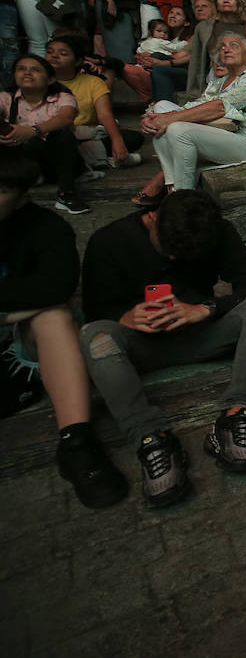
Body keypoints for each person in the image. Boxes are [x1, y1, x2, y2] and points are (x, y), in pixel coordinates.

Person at [79, 190, 246, 505]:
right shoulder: (109, 241)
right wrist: (124, 316)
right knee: (95, 336)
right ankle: (152, 439)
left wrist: (205, 308)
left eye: (182, 256)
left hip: (200, 335)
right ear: (153, 215)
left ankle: (236, 413)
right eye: (166, 250)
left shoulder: (217, 231)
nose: (172, 259)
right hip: (142, 346)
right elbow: (93, 310)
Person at [1, 155, 127, 508]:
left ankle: (77, 442)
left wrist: (9, 315)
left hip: (16, 354)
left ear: (22, 193)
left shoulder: (46, 229)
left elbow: (54, 287)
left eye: (2, 190)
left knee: (54, 316)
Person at [136, 31, 246, 198]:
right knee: (161, 107)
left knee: (177, 129)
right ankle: (172, 184)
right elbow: (198, 105)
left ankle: (183, 196)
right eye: (222, 46)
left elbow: (218, 107)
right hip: (224, 134)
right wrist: (154, 118)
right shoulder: (220, 81)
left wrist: (168, 119)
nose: (226, 49)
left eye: (234, 45)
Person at [0, 55, 89, 214]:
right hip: (22, 162)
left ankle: (66, 193)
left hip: (54, 162)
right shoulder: (6, 97)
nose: (27, 73)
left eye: (35, 70)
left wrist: (32, 131)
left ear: (50, 80)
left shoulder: (63, 97)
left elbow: (66, 117)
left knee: (63, 135)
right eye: (21, 69)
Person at [44, 35, 142, 170]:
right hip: (51, 136)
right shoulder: (39, 81)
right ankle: (99, 160)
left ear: (78, 61)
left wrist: (117, 141)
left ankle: (85, 159)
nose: (54, 56)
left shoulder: (92, 82)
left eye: (63, 53)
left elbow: (105, 114)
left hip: (88, 136)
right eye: (49, 52)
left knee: (132, 138)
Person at [185, 0, 246, 95]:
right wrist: (194, 89)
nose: (225, 0)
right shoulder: (204, 28)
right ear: (216, 4)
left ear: (238, 2)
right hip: (216, 75)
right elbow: (196, 59)